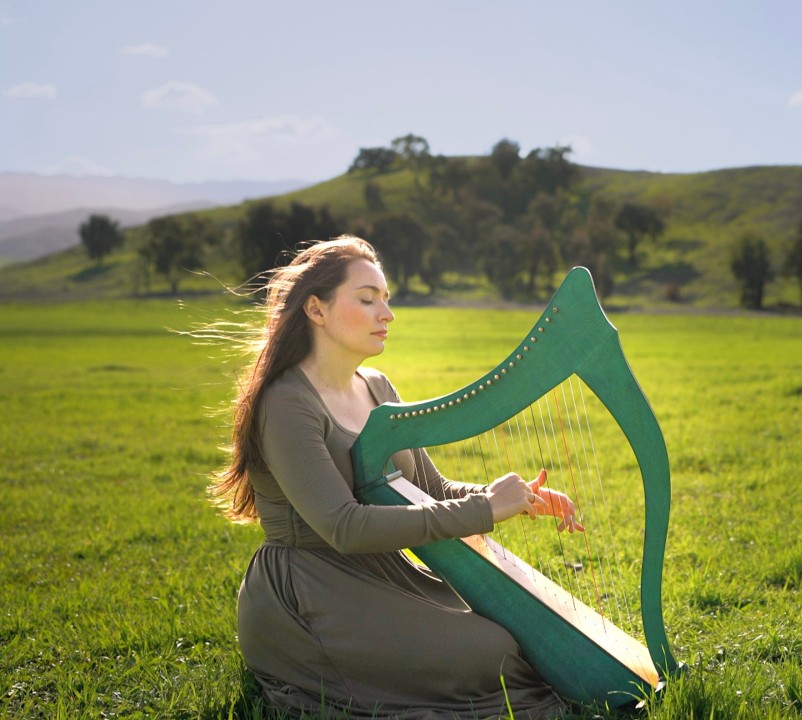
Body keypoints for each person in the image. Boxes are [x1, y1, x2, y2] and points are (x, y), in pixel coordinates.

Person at [209, 235, 579, 719]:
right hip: (310, 594)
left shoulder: (378, 388)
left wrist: (514, 496)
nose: (387, 313)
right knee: (492, 653)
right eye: (367, 299)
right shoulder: (286, 403)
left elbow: (432, 491)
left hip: (385, 575)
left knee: (517, 635)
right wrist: (485, 509)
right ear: (316, 310)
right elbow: (343, 527)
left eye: (386, 299)